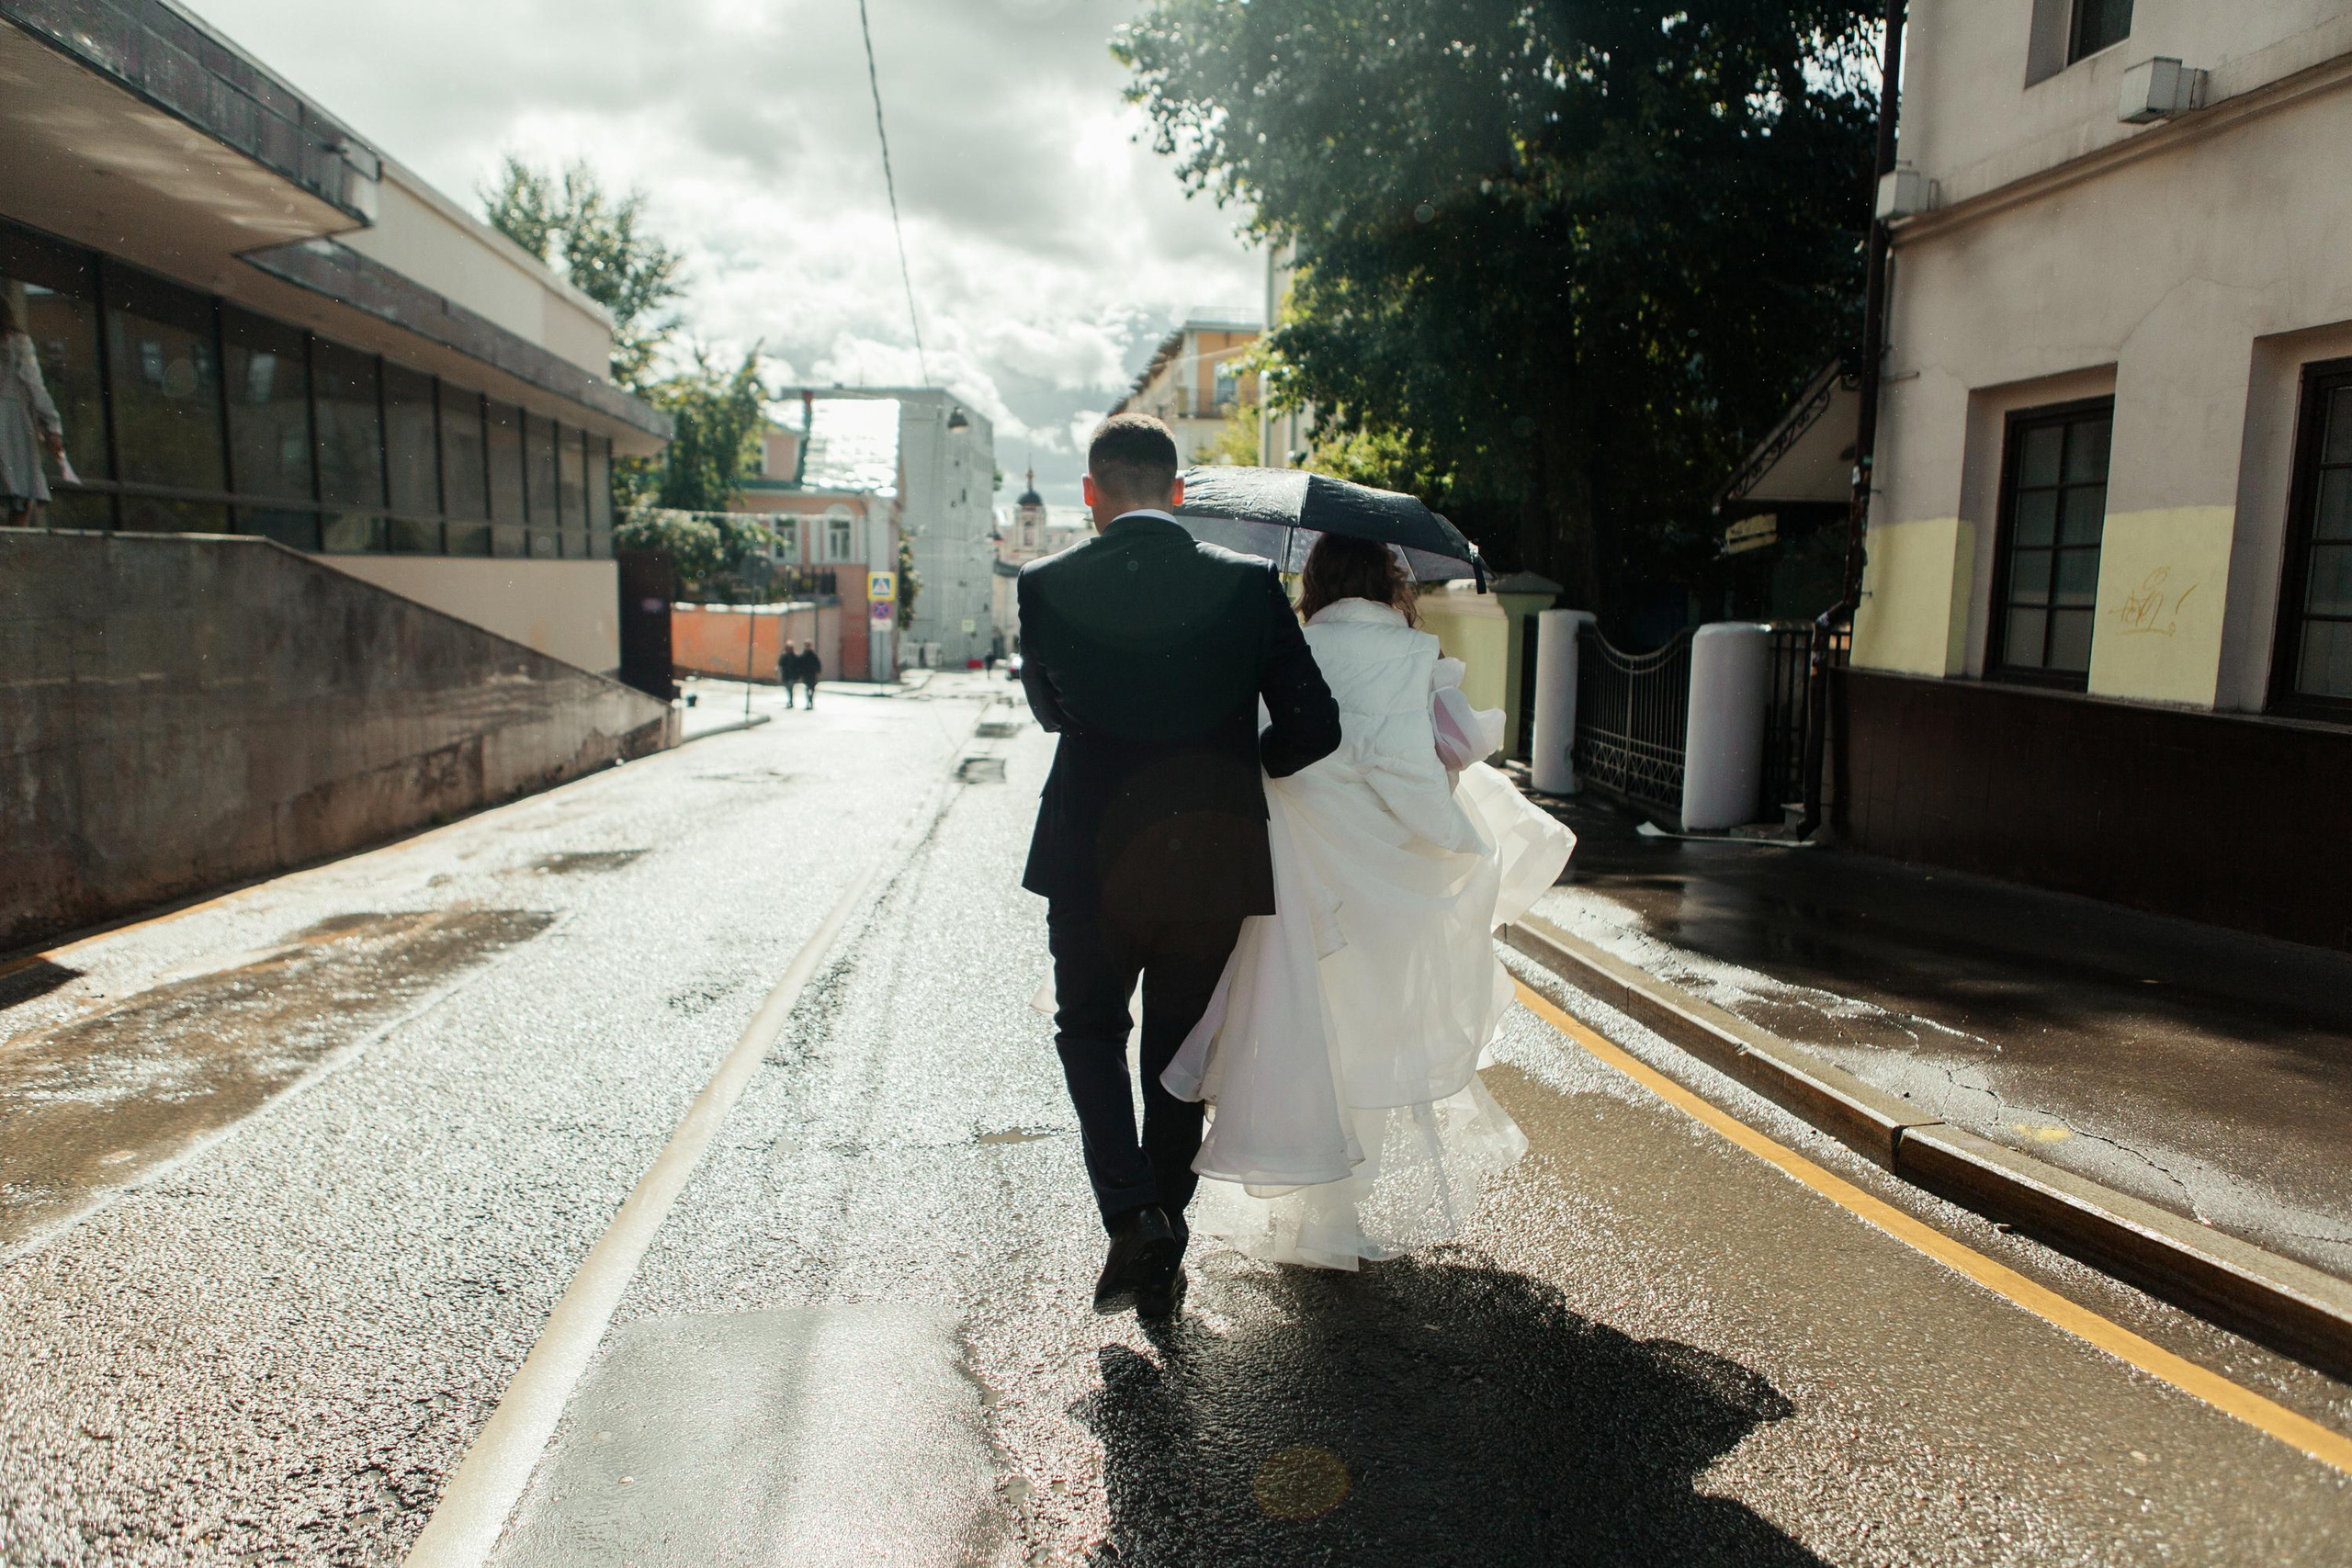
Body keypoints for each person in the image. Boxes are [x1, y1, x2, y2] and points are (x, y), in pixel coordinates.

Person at [1160, 533, 1576, 1269]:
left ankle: (1302, 1211)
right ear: (1391, 580)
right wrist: (1458, 835)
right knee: (1362, 1043)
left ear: (1315, 580)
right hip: (1376, 883)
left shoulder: (1288, 645)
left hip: (1294, 870)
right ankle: (1334, 1217)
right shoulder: (1410, 656)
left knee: (1298, 1031)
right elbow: (1412, 781)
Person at [1018, 414, 1341, 1319]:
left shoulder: (1043, 583)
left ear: (1091, 494)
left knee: (1088, 1032)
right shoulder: (1246, 587)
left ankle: (1131, 1217)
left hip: (1086, 857)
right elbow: (1315, 724)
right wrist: (1243, 770)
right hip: (1210, 860)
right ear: (1179, 491)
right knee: (1176, 1058)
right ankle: (1166, 1229)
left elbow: (1049, 711)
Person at [1, 296, 65, 526]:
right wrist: (53, 427)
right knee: (20, 492)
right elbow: (35, 387)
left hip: (11, 419)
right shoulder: (17, 343)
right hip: (11, 424)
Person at [797, 640, 821, 708]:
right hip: (806, 674)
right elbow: (800, 665)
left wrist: (818, 671)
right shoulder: (803, 655)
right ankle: (809, 701)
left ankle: (810, 700)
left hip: (812, 674)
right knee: (807, 688)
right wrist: (800, 673)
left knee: (812, 688)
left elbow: (818, 663)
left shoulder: (813, 655)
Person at [777, 641, 800, 707]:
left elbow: (798, 665)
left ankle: (790, 701)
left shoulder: (795, 656)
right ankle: (790, 700)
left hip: (792, 676)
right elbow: (780, 663)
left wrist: (797, 674)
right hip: (786, 675)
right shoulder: (784, 656)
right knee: (787, 688)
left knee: (790, 688)